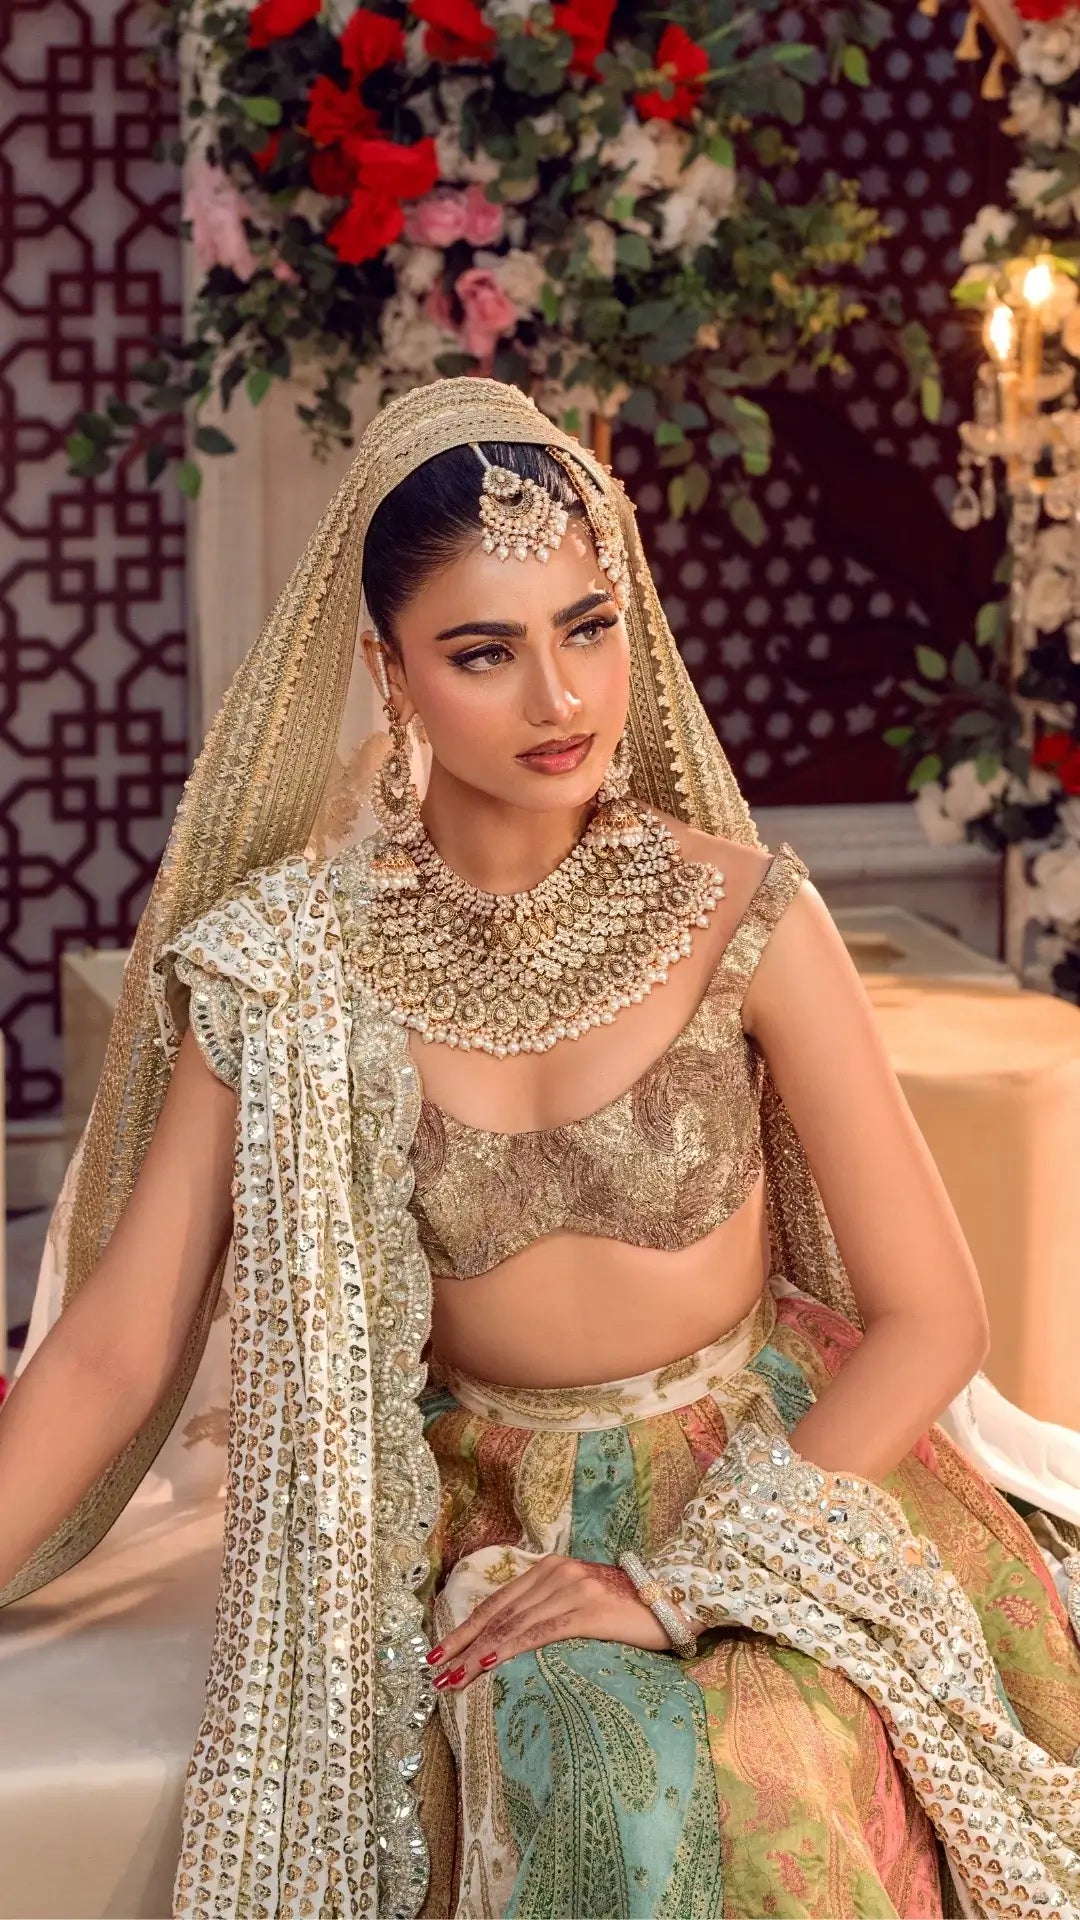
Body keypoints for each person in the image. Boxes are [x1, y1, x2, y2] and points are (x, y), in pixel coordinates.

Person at [0, 375, 1077, 1920]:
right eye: (485, 653)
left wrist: (682, 1583)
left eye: (589, 626)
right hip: (491, 1505)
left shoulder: (744, 915)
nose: (562, 700)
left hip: (776, 1480)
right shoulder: (292, 964)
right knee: (581, 1753)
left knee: (771, 1744)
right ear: (387, 672)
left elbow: (934, 1318)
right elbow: (117, 1342)